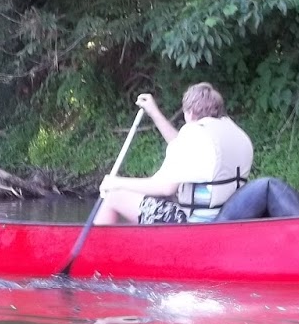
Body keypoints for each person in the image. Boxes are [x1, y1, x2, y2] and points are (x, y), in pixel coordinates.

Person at [94, 83, 252, 225]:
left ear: (189, 113)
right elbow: (184, 149)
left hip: (191, 226)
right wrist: (154, 112)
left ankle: (95, 252)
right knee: (146, 202)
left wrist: (115, 182)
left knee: (113, 197)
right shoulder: (234, 134)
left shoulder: (194, 134)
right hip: (221, 222)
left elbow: (166, 187)